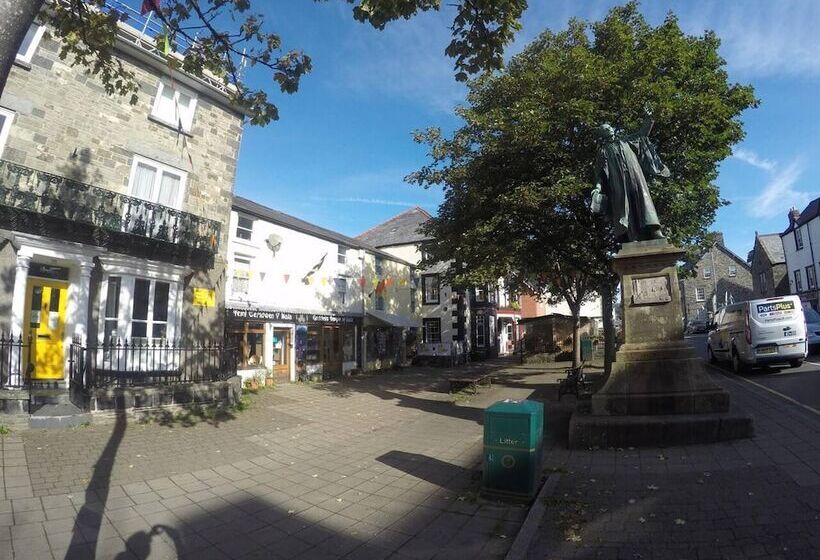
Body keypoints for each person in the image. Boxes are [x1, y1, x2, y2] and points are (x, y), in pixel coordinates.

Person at [591, 111, 670, 243]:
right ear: (602, 133)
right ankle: (631, 237)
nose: (609, 129)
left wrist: (649, 118)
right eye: (605, 129)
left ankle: (655, 230)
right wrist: (597, 188)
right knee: (625, 209)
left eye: (610, 127)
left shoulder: (626, 141)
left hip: (635, 177)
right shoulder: (603, 151)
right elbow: (599, 174)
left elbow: (642, 133)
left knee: (644, 202)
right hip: (618, 184)